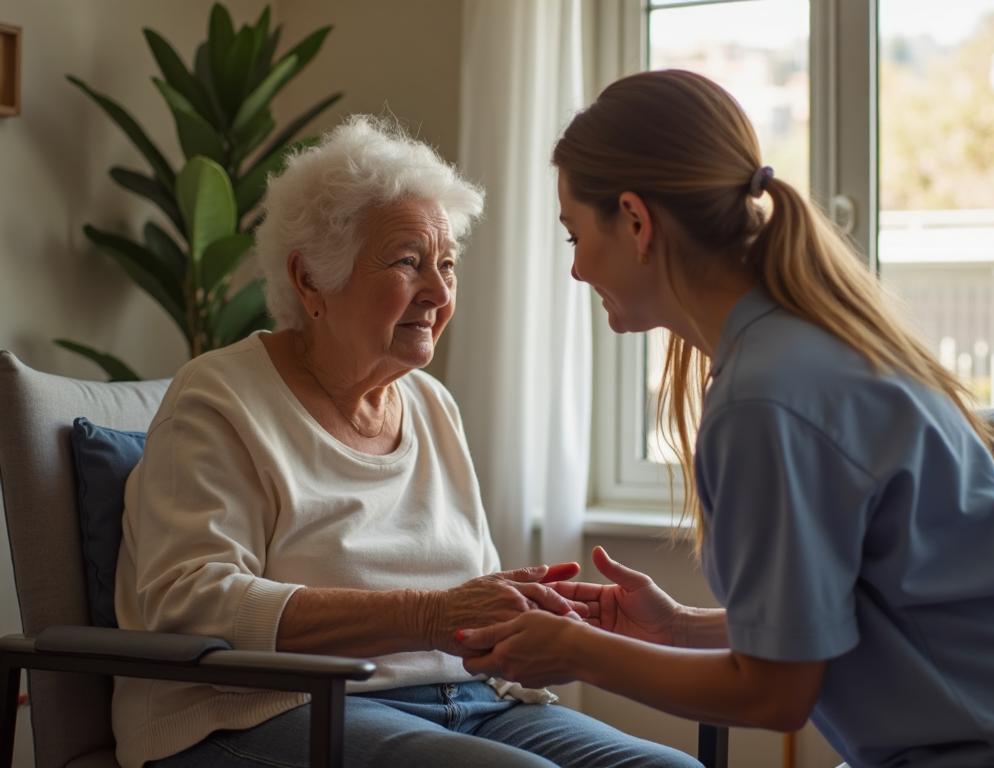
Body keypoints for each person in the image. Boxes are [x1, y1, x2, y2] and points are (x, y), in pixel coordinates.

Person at [455, 70, 994, 768]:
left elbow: (774, 694)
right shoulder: (813, 346)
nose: (576, 272)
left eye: (574, 237)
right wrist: (676, 628)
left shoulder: (764, 400)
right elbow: (848, 607)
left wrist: (579, 651)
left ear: (636, 221)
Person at [112, 115, 700, 768]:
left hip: (473, 700)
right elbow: (187, 603)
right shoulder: (220, 398)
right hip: (274, 711)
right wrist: (428, 615)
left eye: (447, 264)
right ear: (310, 280)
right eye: (408, 262)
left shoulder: (430, 405)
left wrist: (538, 619)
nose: (440, 291)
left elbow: (468, 603)